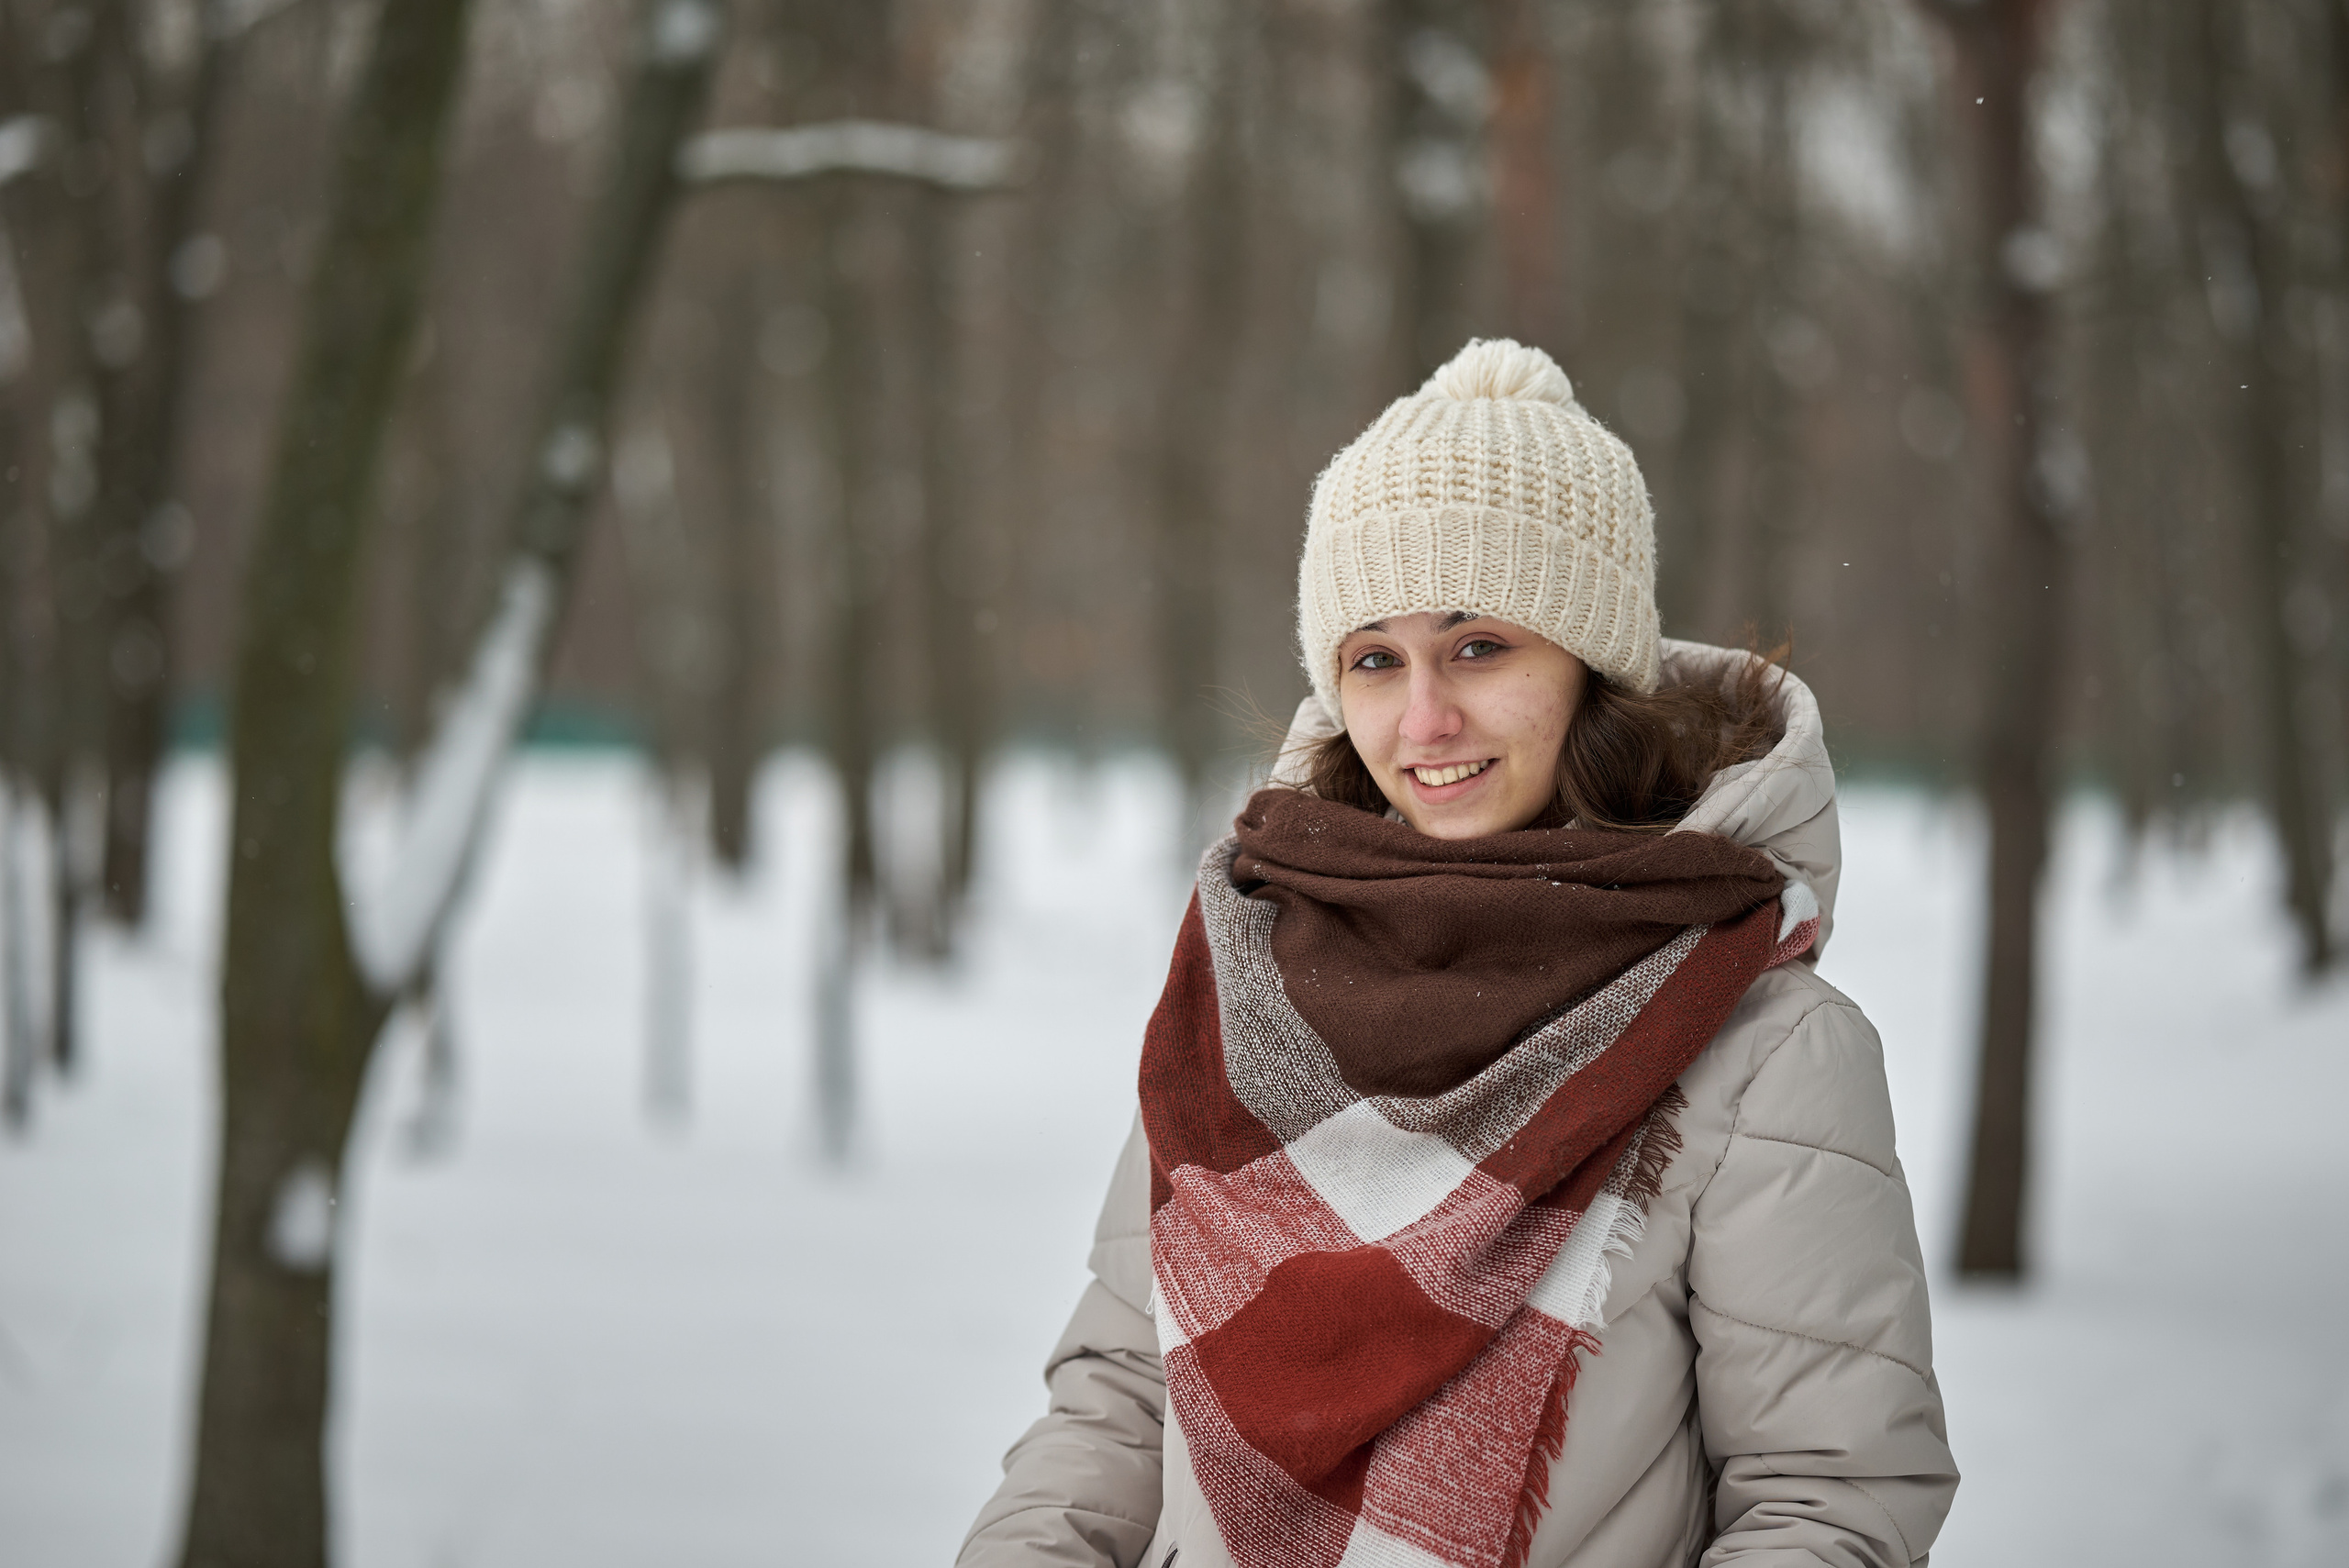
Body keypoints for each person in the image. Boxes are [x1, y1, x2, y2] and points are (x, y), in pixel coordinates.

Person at [959, 339, 1958, 1568]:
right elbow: (1121, 1399)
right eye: (1374, 659)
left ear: (1590, 669)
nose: (1424, 720)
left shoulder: (1760, 1045)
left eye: (1479, 645)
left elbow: (1829, 1499)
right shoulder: (1247, 981)